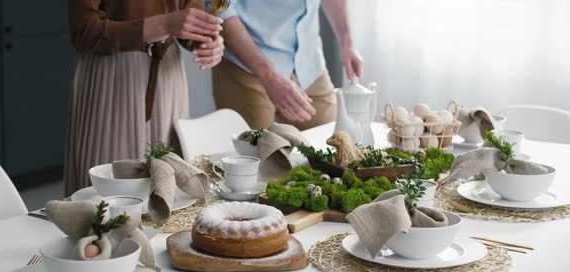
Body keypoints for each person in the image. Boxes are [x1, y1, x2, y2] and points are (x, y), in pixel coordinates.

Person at [64, 0, 224, 196]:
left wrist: (209, 41)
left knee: (168, 187)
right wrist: (165, 24)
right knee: (109, 191)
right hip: (115, 74)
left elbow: (190, 17)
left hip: (167, 77)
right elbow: (84, 30)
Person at [211, 0, 363, 130]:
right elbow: (221, 9)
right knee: (252, 156)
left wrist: (346, 40)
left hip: (308, 61)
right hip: (247, 62)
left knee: (332, 146)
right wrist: (268, 75)